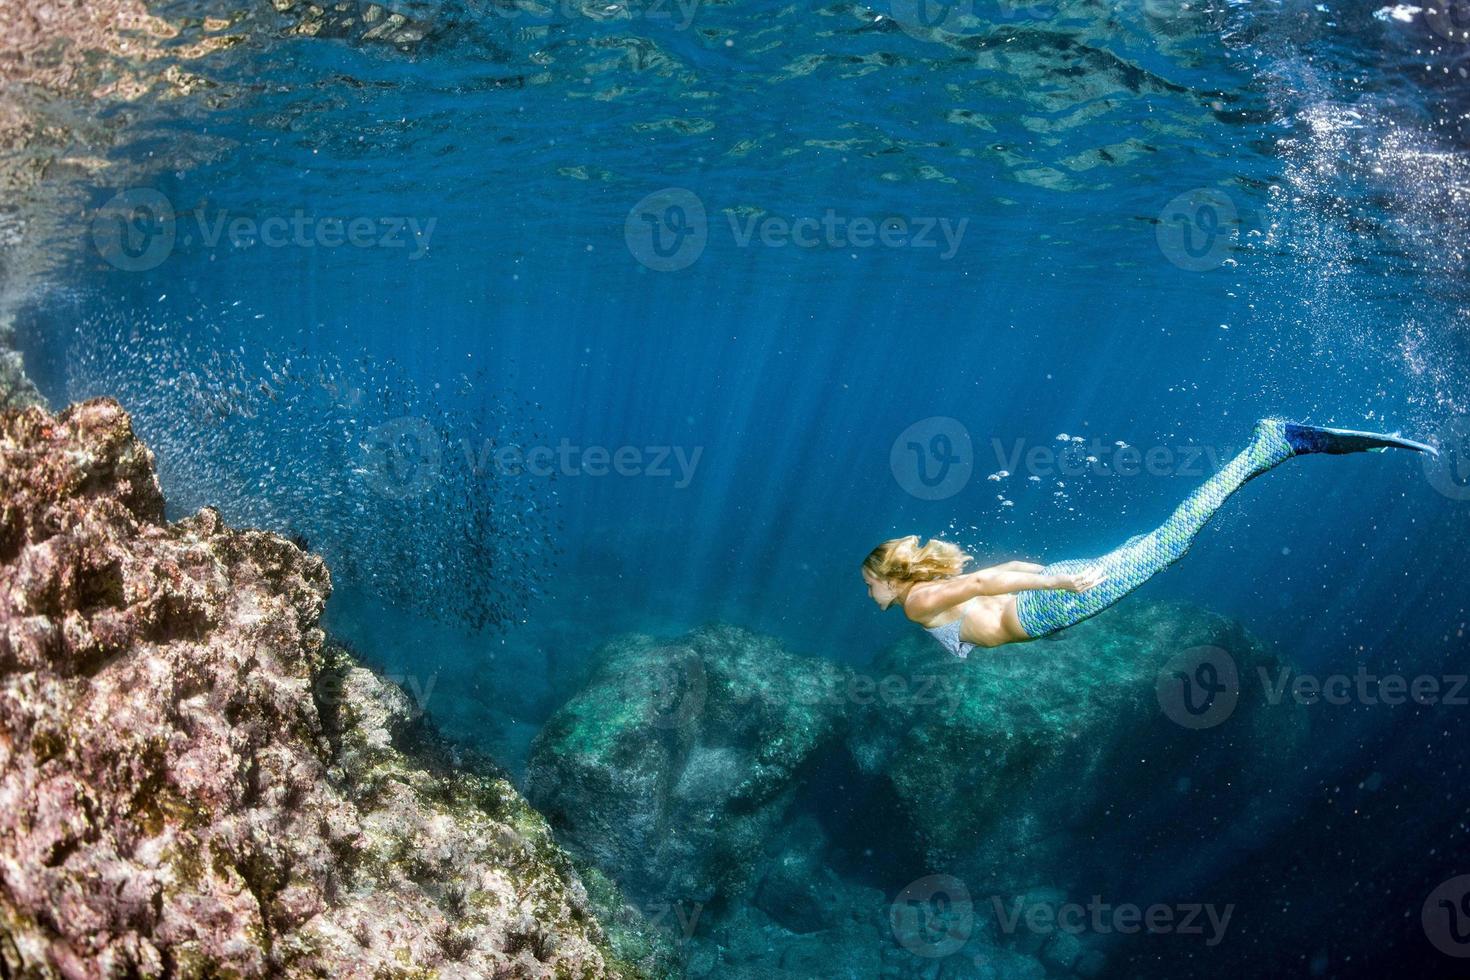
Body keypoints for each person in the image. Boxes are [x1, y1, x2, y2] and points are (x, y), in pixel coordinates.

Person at [861, 418, 1436, 656]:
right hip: (1043, 604)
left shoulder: (916, 603)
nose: (869, 597)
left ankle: (1274, 442)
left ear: (892, 578)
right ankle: (1277, 447)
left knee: (1173, 541)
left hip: (1046, 604)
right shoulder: (929, 592)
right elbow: (994, 578)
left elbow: (988, 578)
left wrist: (1059, 585)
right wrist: (1048, 580)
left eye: (870, 585)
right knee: (1156, 541)